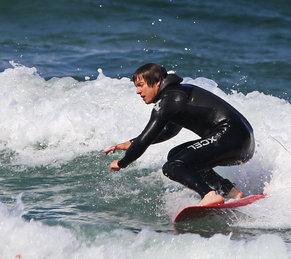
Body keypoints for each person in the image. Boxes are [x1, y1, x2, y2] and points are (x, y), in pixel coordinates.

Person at [104, 63, 255, 207]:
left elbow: (146, 139)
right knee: (176, 155)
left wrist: (122, 162)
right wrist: (131, 142)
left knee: (172, 166)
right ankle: (230, 191)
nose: (138, 92)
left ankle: (209, 195)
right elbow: (169, 131)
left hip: (232, 138)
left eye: (141, 85)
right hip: (241, 141)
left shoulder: (169, 99)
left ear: (157, 82)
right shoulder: (177, 94)